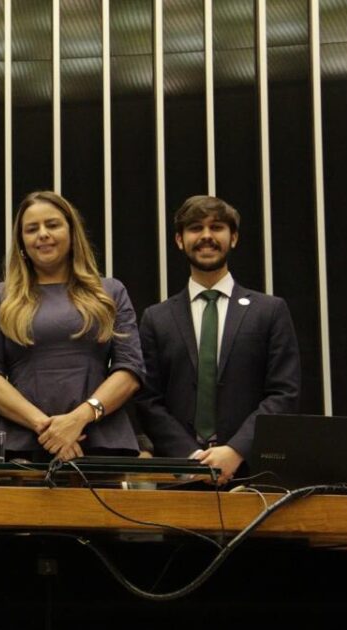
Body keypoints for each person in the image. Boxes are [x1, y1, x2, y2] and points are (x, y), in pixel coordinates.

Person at [0, 191, 144, 462]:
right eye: (32, 229)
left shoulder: (110, 292)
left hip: (100, 444)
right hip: (22, 448)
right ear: (21, 241)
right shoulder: (0, 296)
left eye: (52, 225)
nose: (43, 234)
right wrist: (48, 429)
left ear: (72, 234)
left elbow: (130, 370)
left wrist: (78, 419)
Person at [137, 195, 299, 483]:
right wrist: (190, 459)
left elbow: (283, 394)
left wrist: (236, 451)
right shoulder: (155, 318)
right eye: (196, 228)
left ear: (233, 238)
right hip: (180, 476)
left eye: (217, 228)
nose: (206, 236)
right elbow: (148, 400)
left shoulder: (270, 311)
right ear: (179, 240)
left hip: (253, 474)